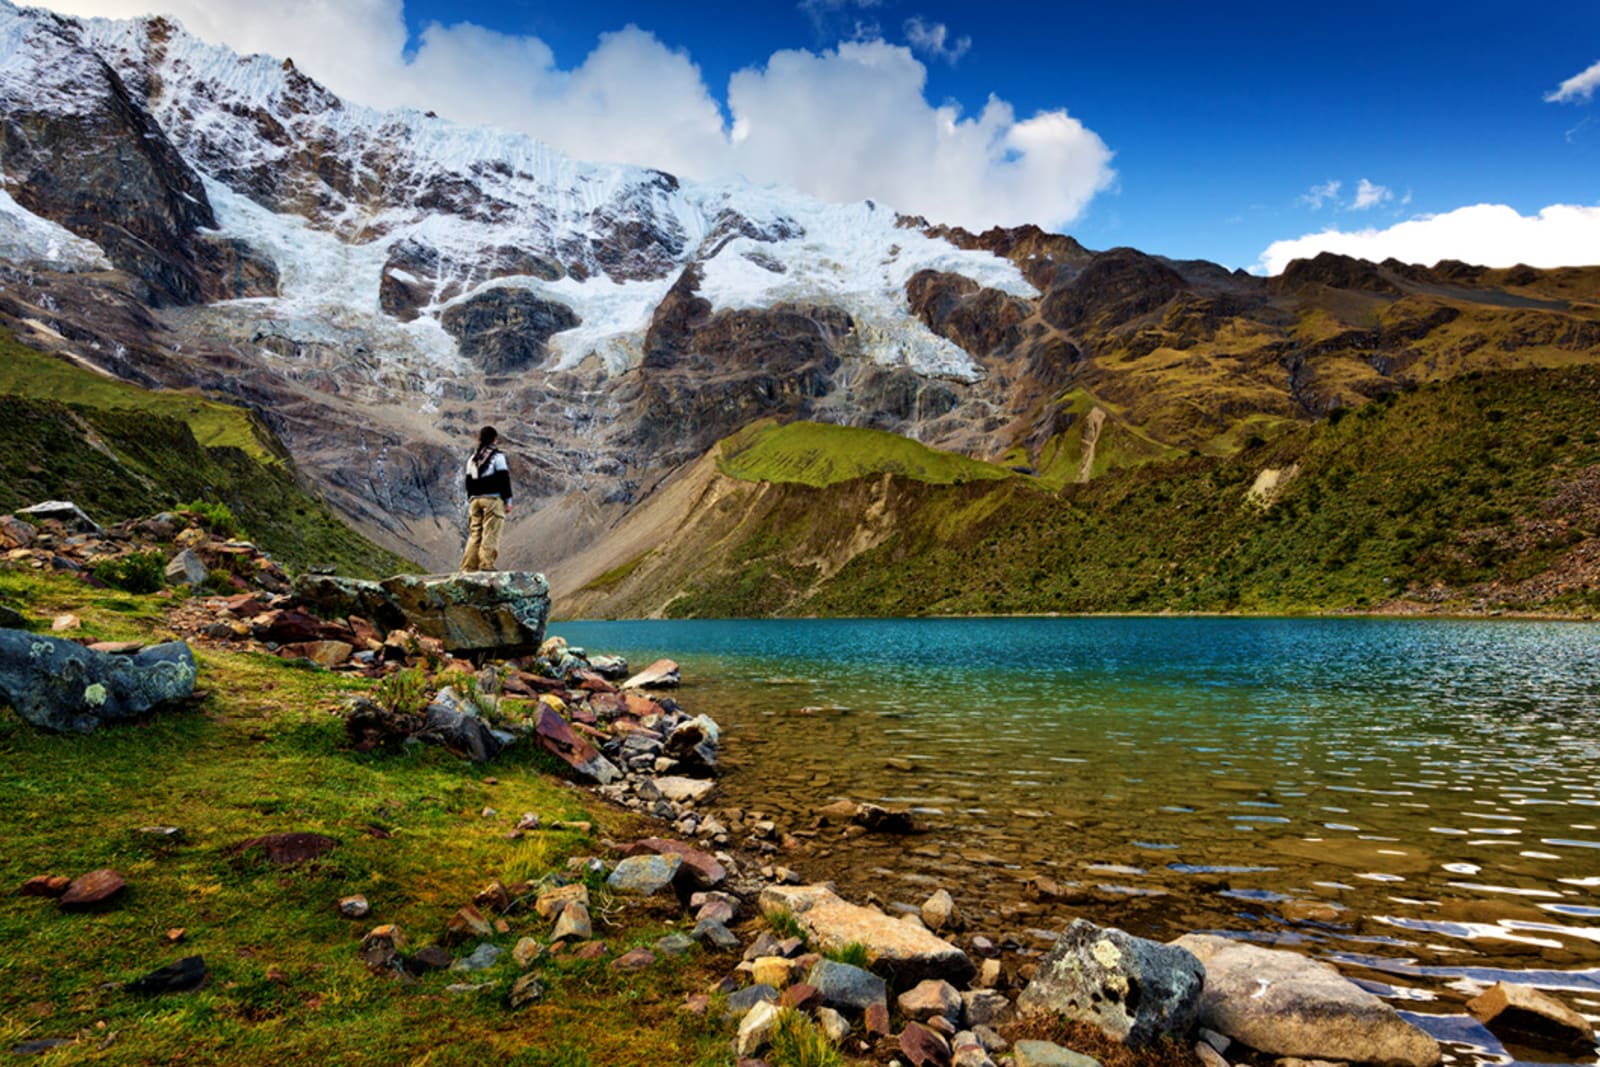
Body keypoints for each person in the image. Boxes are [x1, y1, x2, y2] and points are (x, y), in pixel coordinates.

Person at [460, 426, 512, 572]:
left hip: (475, 500)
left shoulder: (472, 458)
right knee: (491, 532)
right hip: (492, 500)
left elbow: (468, 481)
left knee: (475, 533)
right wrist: (508, 501)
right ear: (494, 439)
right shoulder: (497, 457)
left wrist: (471, 498)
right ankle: (485, 565)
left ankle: (468, 567)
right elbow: (503, 479)